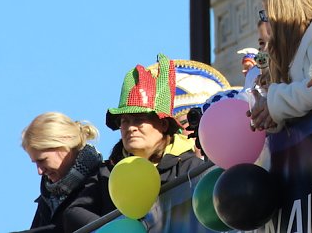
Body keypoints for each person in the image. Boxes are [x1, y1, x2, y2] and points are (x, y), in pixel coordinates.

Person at [65, 54, 206, 226]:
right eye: (125, 121)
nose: (131, 127)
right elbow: (74, 214)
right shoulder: (106, 173)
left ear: (162, 124)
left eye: (139, 119)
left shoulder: (191, 169)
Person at [248, 0, 312, 131]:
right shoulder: (295, 50)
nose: (269, 23)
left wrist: (274, 105)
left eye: (269, 15)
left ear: (287, 12)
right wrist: (270, 116)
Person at [19, 113, 102, 233]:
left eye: (42, 160)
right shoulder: (47, 199)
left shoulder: (104, 180)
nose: (39, 171)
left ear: (64, 146)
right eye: (35, 163)